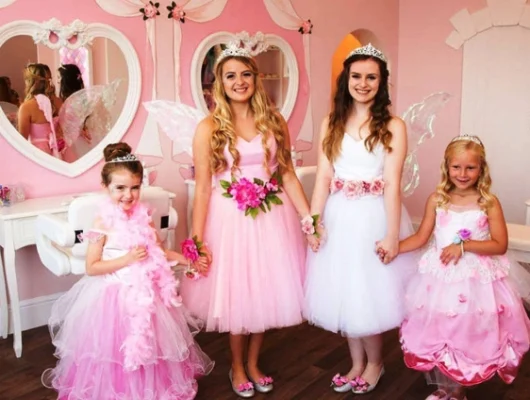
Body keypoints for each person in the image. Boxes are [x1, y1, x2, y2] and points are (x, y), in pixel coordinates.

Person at [180, 39, 311, 398]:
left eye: (246, 74)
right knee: (238, 294)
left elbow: (286, 175)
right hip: (228, 221)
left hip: (271, 217)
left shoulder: (275, 120)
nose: (239, 81)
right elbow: (204, 187)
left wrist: (307, 218)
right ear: (219, 83)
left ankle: (254, 362)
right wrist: (197, 237)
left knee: (266, 291)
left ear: (256, 77)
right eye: (230, 76)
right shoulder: (208, 128)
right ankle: (237, 366)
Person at [42, 142, 214, 399]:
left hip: (146, 297)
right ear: (105, 187)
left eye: (134, 187)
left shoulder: (143, 218)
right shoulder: (101, 223)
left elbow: (159, 252)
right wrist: (127, 258)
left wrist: (188, 262)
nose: (128, 195)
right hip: (113, 298)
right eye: (120, 188)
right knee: (115, 354)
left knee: (152, 349)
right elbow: (92, 267)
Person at [304, 43, 415, 395]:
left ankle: (375, 363)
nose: (363, 83)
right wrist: (314, 221)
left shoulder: (393, 126)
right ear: (346, 79)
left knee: (369, 293)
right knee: (344, 291)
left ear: (381, 83)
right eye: (356, 76)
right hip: (338, 217)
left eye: (371, 77)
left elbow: (393, 184)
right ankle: (355, 364)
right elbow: (323, 177)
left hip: (373, 217)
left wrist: (392, 235)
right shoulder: (330, 122)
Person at [398, 134, 530, 400]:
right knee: (441, 330)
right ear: (447, 167)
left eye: (470, 167)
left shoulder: (488, 202)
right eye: (456, 166)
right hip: (440, 279)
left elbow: (499, 244)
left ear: (481, 168)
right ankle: (446, 389)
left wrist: (463, 247)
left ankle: (458, 391)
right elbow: (421, 237)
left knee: (467, 330)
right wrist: (394, 248)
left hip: (476, 279)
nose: (463, 173)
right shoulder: (437, 199)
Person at [17, 63, 63, 157]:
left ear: (30, 81)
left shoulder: (26, 107)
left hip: (37, 155)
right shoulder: (58, 102)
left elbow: (22, 141)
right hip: (58, 152)